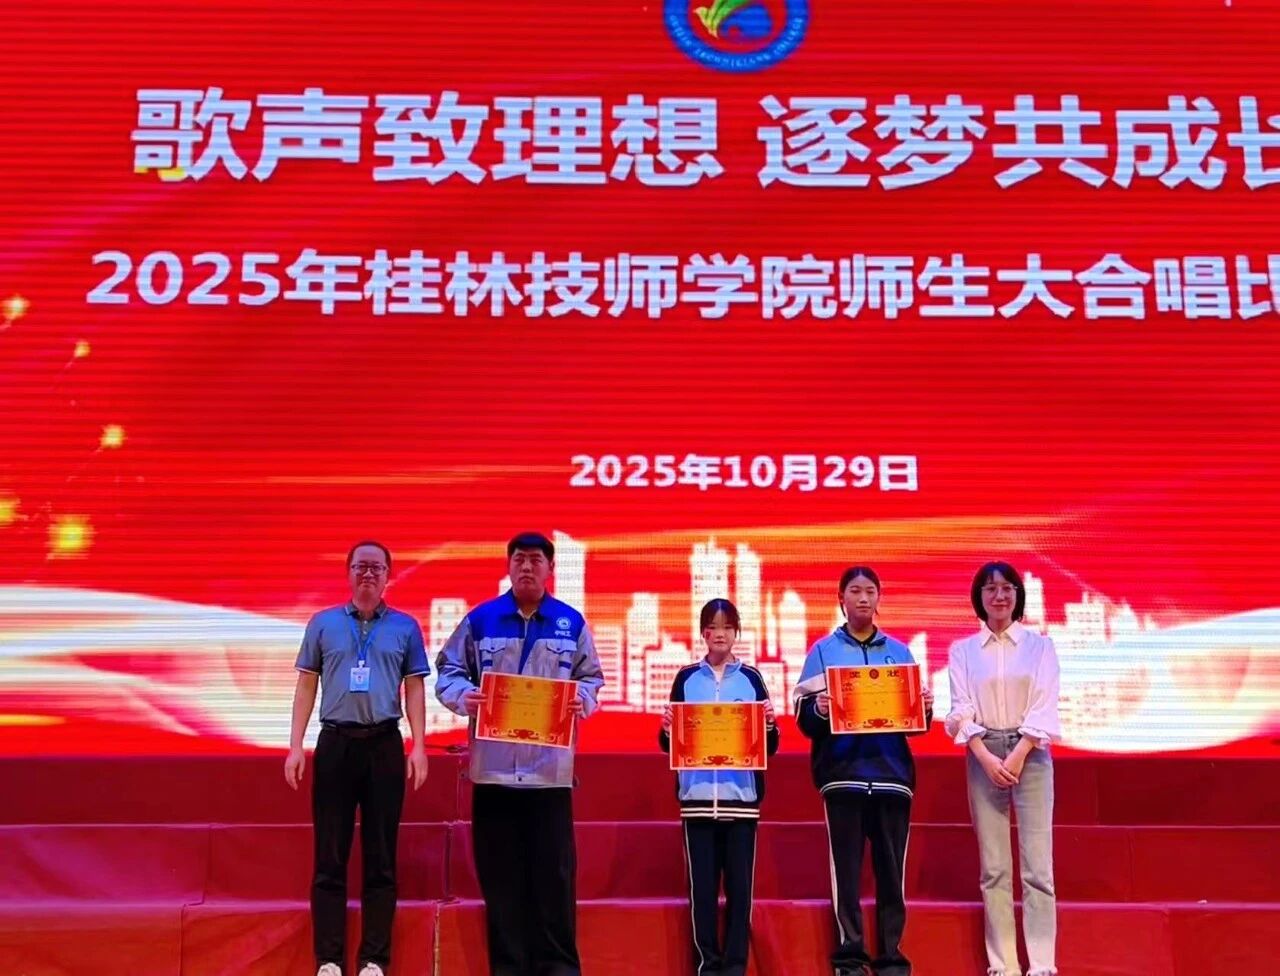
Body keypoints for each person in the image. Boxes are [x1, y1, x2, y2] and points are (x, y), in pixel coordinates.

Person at [435, 532, 605, 976]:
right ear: (508, 566)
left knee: (554, 880)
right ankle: (508, 968)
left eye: (535, 560)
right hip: (494, 774)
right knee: (501, 882)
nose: (526, 567)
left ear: (550, 569)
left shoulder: (570, 623)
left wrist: (582, 700)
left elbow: (592, 678)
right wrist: (464, 695)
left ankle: (559, 968)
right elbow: (447, 670)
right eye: (519, 559)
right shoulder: (482, 620)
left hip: (549, 775)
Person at [285, 540, 430, 976]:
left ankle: (373, 960)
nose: (368, 574)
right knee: (330, 855)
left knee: (380, 857)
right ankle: (328, 959)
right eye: (360, 567)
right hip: (336, 745)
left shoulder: (405, 628)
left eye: (376, 568)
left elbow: (415, 689)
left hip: (384, 745)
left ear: (389, 576)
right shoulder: (323, 624)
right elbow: (306, 684)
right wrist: (295, 745)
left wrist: (419, 746)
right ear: (348, 573)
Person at [793, 566, 934, 976]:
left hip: (891, 777)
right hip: (843, 776)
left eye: (870, 591)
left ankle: (891, 959)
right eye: (854, 591)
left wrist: (924, 708)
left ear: (879, 598)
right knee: (847, 875)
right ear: (841, 599)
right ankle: (850, 958)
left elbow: (917, 724)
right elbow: (803, 717)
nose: (863, 598)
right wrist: (819, 709)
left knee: (892, 874)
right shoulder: (822, 651)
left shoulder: (900, 653)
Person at [945, 561, 1061, 976]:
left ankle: (1042, 964)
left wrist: (1019, 752)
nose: (999, 595)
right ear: (979, 597)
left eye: (1007, 587)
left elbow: (1045, 702)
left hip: (1031, 754)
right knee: (994, 869)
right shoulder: (962, 651)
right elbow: (960, 708)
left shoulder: (1040, 646)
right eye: (991, 588)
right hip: (984, 754)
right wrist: (985, 755)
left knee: (1038, 868)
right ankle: (1004, 965)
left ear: (1018, 595)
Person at [659, 598, 780, 976]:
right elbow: (669, 744)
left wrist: (769, 725)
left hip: (740, 800)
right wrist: (668, 730)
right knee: (703, 893)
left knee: (741, 893)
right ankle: (707, 966)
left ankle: (735, 967)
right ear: (703, 633)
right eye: (713, 626)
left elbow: (770, 747)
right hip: (696, 801)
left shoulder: (752, 679)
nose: (720, 633)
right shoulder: (686, 679)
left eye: (728, 626)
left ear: (736, 632)